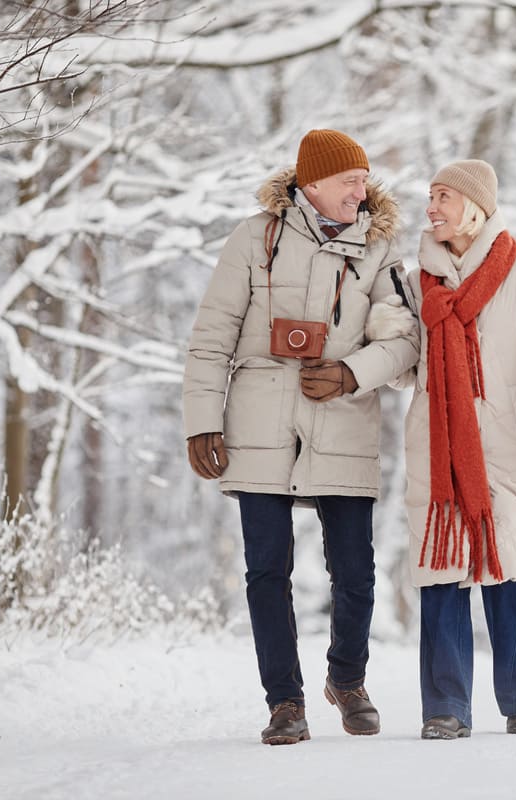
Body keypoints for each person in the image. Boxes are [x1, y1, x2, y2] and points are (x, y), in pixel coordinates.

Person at [182, 129, 419, 745]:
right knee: (266, 571)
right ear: (311, 184)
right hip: (259, 424)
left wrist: (349, 373)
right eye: (349, 181)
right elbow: (211, 337)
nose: (360, 191)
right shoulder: (253, 240)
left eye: (364, 180)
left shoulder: (380, 247)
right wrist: (202, 421)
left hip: (343, 421)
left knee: (356, 570)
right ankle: (285, 702)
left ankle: (347, 678)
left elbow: (403, 341)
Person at [366, 159, 516, 739]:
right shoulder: (414, 284)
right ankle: (445, 708)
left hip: (507, 441)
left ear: (475, 207)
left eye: (443, 197)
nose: (431, 207)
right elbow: (402, 366)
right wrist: (382, 321)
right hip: (437, 445)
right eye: (430, 196)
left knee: (511, 567)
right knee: (440, 572)